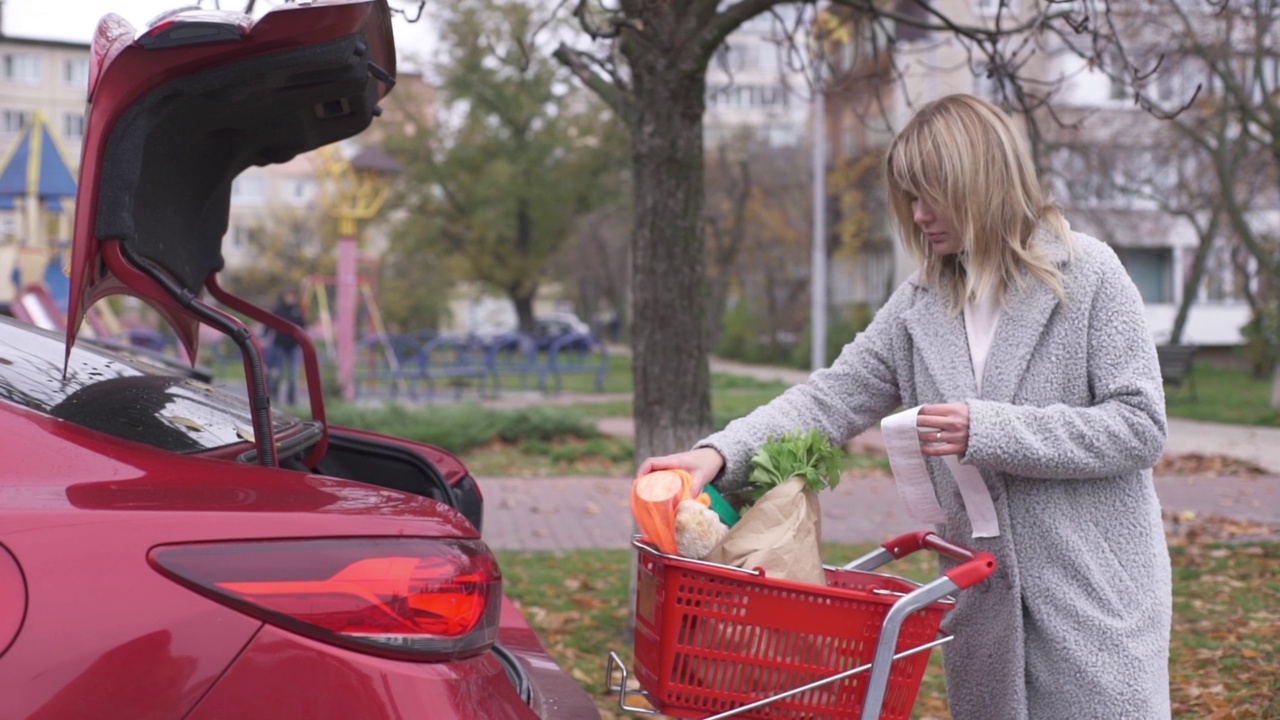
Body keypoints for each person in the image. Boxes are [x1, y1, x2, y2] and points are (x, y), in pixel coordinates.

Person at [638, 94, 1171, 719]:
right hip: (987, 601)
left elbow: (1139, 426)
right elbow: (830, 396)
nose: (918, 216)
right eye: (909, 198)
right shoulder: (924, 299)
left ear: (981, 181)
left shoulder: (1090, 275)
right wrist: (715, 454)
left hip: (1092, 596)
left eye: (931, 196)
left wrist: (992, 429)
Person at [268, 289, 305, 406]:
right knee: (278, 371)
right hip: (280, 344)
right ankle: (274, 395)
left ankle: (291, 399)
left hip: (293, 345)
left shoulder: (297, 310)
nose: (291, 299)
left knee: (293, 374)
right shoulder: (279, 309)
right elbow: (270, 323)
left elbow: (302, 325)